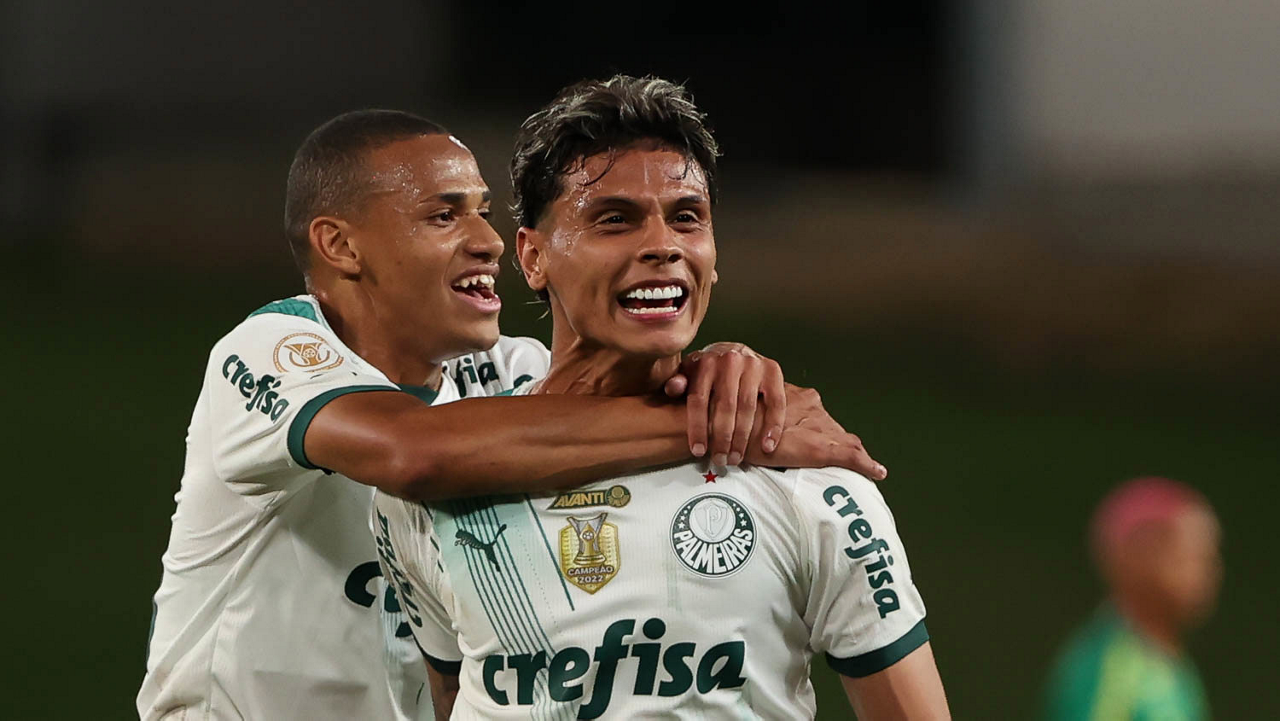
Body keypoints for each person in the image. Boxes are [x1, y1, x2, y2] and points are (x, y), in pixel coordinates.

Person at [138, 110, 886, 720]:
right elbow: (413, 453)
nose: (487, 241)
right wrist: (711, 429)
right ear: (340, 245)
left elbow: (601, 392)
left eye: (485, 213)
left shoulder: (511, 382)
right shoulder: (270, 354)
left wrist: (723, 369)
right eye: (443, 215)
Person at [374, 75, 950, 719]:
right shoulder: (438, 488)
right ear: (533, 258)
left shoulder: (806, 480)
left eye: (686, 218)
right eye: (614, 220)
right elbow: (451, 697)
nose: (662, 246)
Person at [1044, 477, 1221, 720]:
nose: (1205, 573)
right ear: (1135, 557)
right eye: (1187, 557)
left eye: (1208, 558)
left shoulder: (1171, 664)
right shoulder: (1112, 669)